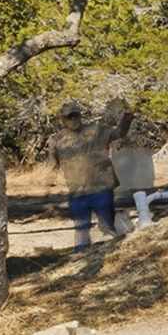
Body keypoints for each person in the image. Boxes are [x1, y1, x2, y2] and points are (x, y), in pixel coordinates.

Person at [53, 102, 121, 249]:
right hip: (77, 191)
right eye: (69, 117)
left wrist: (127, 117)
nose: (73, 119)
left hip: (101, 188)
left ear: (80, 115)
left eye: (75, 115)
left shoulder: (97, 130)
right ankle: (82, 254)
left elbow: (119, 133)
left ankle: (112, 252)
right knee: (81, 229)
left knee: (107, 227)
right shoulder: (57, 140)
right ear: (62, 119)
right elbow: (52, 166)